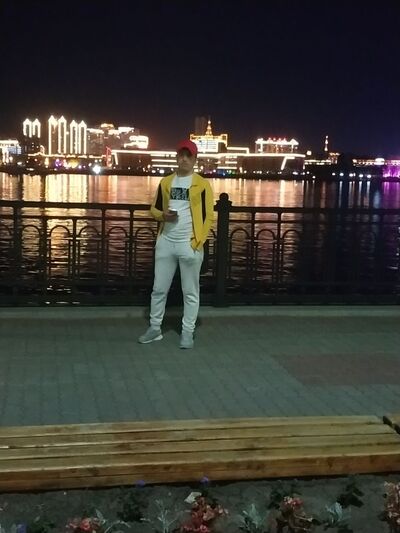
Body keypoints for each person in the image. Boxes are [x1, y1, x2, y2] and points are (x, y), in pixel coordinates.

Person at [138, 139, 214, 349]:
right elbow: (154, 209)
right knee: (158, 289)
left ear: (195, 159)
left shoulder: (202, 185)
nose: (184, 159)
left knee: (190, 292)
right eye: (181, 155)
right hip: (166, 242)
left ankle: (187, 332)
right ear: (176, 157)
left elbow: (209, 215)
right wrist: (163, 215)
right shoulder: (166, 182)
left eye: (189, 156)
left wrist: (198, 241)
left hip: (189, 244)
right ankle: (155, 328)